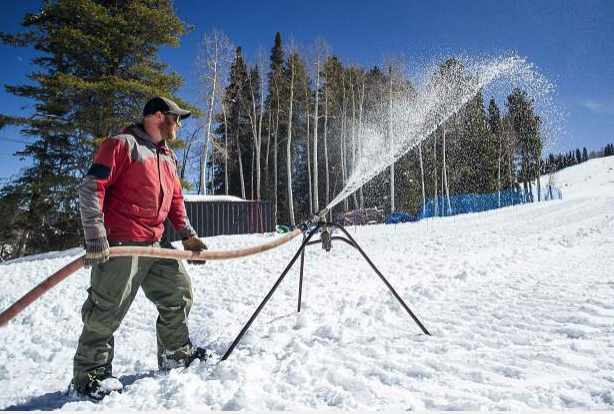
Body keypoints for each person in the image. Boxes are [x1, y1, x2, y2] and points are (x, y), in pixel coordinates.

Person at [71, 96, 209, 401]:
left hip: (156, 242)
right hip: (122, 240)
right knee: (107, 307)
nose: (180, 124)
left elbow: (175, 201)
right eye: (176, 118)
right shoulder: (121, 145)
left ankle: (175, 352)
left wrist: (187, 234)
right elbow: (92, 187)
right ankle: (89, 375)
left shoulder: (168, 157)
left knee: (178, 292)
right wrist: (95, 234)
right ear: (158, 117)